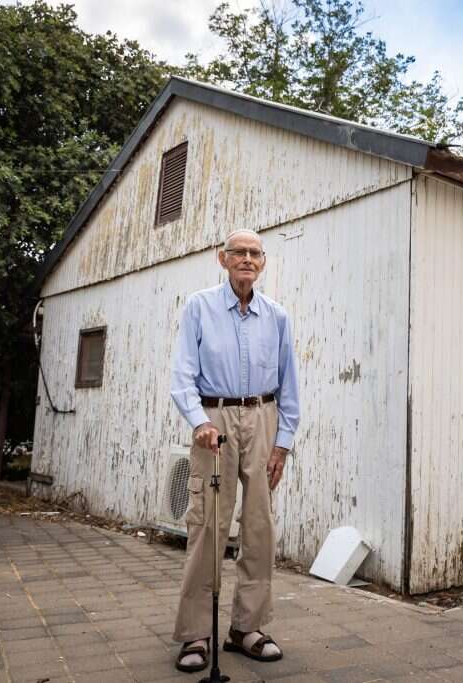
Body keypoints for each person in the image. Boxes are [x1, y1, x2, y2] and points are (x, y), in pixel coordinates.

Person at [169, 228, 299, 673]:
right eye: (239, 252)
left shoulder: (276, 316)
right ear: (221, 259)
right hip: (215, 419)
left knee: (259, 525)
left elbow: (289, 386)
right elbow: (182, 377)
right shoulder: (199, 307)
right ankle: (196, 634)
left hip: (263, 418)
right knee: (207, 524)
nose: (247, 259)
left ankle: (247, 629)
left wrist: (283, 443)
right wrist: (199, 421)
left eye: (255, 253)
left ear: (262, 262)